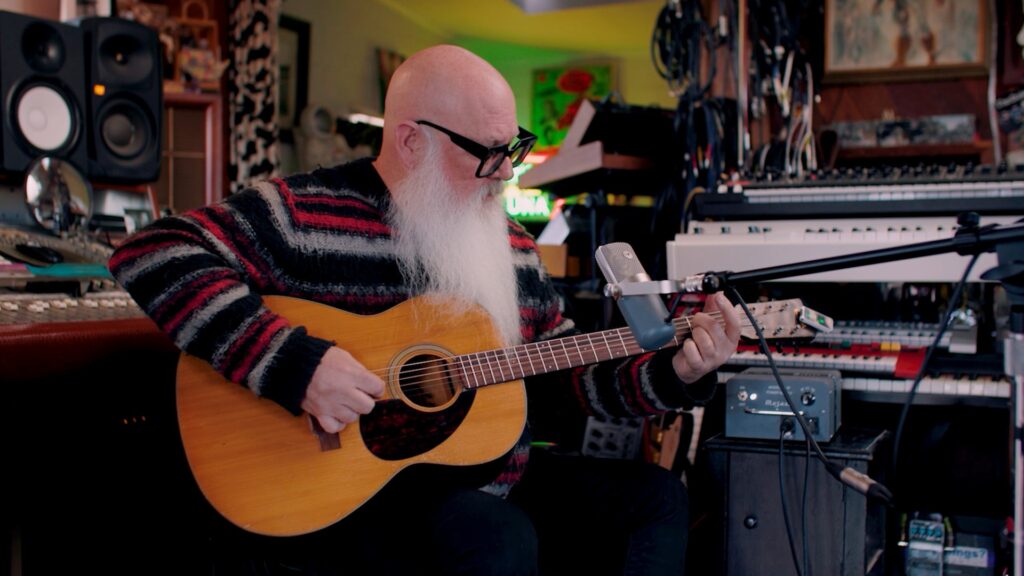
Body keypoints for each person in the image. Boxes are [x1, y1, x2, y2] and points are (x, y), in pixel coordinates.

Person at [109, 44, 740, 576]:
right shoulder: (303, 214)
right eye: (489, 155)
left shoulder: (512, 248)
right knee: (494, 537)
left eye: (513, 148)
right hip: (353, 490)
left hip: (493, 473)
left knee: (656, 500)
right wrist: (296, 365)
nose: (506, 176)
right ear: (410, 140)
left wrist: (676, 372)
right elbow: (153, 251)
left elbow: (564, 380)